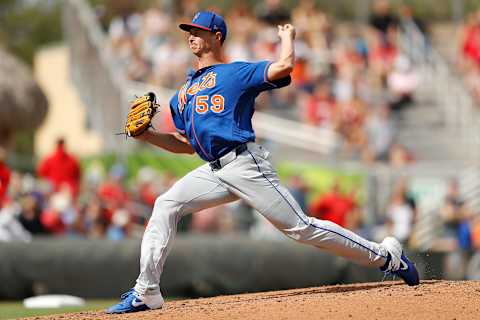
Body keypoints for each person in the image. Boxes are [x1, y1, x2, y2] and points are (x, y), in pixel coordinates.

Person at [107, 11, 419, 314]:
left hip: (245, 164)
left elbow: (284, 66)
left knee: (301, 228)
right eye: (189, 31)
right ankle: (146, 291)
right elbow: (186, 146)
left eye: (197, 31)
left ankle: (386, 256)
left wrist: (287, 37)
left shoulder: (236, 72)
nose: (191, 36)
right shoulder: (182, 95)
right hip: (213, 170)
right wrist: (148, 136)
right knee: (165, 204)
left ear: (216, 37)